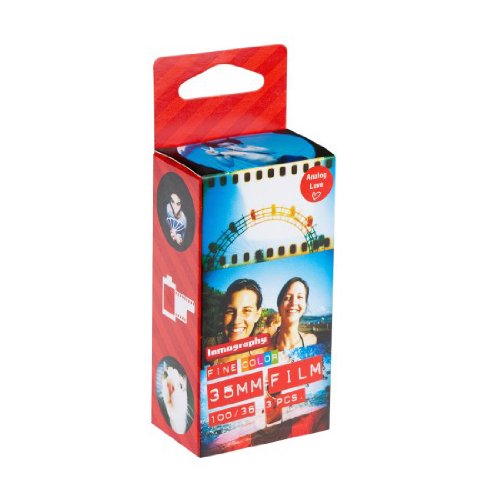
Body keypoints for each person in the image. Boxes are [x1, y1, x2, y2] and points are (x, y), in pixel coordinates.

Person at [214, 279, 264, 364]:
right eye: (230, 311)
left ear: (257, 314)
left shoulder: (266, 359)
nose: (236, 320)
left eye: (246, 310)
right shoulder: (208, 361)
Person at [273, 277, 317, 351]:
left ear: (305, 305)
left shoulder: (311, 342)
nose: (294, 302)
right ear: (279, 307)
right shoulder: (265, 348)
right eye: (287, 298)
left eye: (300, 297)